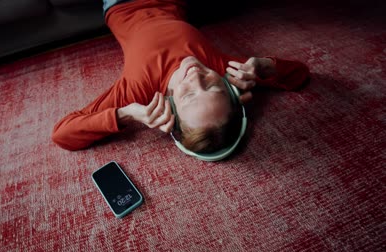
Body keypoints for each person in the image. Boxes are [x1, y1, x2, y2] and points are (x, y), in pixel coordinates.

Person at [52, 0, 310, 155]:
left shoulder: (140, 89)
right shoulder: (224, 68)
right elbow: (300, 75)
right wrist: (264, 65)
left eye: (188, 95)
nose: (197, 76)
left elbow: (62, 134)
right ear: (231, 90)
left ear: (170, 105)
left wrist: (126, 113)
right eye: (213, 88)